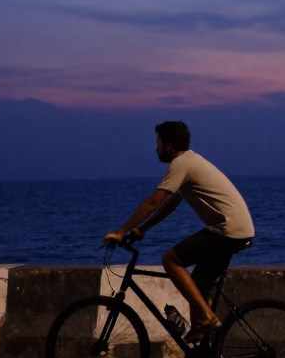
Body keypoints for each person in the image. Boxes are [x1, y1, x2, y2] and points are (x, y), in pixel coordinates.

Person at [104, 121, 255, 341]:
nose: (155, 149)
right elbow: (171, 204)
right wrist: (142, 229)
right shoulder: (192, 162)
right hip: (238, 230)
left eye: (158, 143)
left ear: (168, 144)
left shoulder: (181, 163)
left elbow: (153, 202)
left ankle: (206, 317)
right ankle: (205, 348)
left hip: (227, 230)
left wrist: (121, 231)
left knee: (171, 260)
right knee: (199, 284)